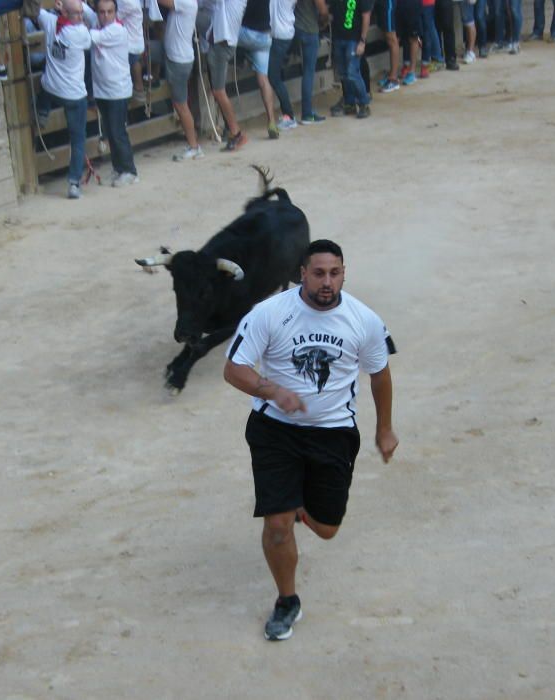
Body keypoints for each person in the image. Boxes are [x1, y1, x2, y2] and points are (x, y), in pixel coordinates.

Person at [223, 239, 399, 641]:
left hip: (334, 434)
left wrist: (384, 428)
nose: (327, 282)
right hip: (274, 432)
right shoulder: (269, 314)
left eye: (334, 273)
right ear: (302, 273)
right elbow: (234, 370)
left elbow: (380, 374)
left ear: (344, 273)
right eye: (318, 273)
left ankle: (298, 505)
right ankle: (287, 601)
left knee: (327, 529)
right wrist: (273, 391)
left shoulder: (363, 320)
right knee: (278, 525)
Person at [36, 0, 92, 199]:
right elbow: (91, 24)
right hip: (74, 95)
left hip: (52, 88)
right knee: (78, 140)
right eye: (77, 13)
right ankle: (74, 183)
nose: (80, 16)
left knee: (43, 84)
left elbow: (37, 10)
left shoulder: (51, 22)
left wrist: (58, 9)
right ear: (67, 13)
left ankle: (42, 113)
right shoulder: (81, 33)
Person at [89, 0, 140, 186]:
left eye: (110, 12)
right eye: (102, 12)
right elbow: (87, 14)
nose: (106, 16)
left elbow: (89, 37)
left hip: (117, 90)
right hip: (103, 90)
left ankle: (129, 170)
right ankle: (119, 168)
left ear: (115, 12)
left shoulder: (117, 30)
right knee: (111, 132)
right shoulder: (98, 25)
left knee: (118, 132)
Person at [159, 0, 204, 161]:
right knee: (181, 104)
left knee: (181, 105)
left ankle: (194, 146)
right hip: (176, 57)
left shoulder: (186, 2)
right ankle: (193, 144)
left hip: (179, 60)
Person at [206, 0, 248, 151]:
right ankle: (233, 131)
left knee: (219, 91)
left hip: (222, 44)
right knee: (218, 91)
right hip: (222, 42)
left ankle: (235, 132)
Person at [237, 0, 280, 140]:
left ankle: (240, 59)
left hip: (246, 33)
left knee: (223, 29)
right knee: (263, 79)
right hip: (264, 36)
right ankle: (272, 121)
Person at [328, 0, 373, 119]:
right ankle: (349, 103)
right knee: (343, 73)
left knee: (353, 73)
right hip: (338, 38)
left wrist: (362, 41)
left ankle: (364, 103)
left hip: (354, 39)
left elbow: (366, 16)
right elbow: (331, 11)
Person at [291, 0, 327, 124]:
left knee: (305, 71)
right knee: (308, 72)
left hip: (295, 28)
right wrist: (326, 19)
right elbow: (322, 9)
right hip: (310, 30)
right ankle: (307, 113)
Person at [267, 0, 299, 131]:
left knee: (274, 77)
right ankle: (287, 115)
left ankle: (289, 116)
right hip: (281, 34)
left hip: (281, 36)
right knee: (276, 76)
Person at [374, 0, 401, 93]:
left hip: (387, 3)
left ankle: (393, 79)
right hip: (380, 3)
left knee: (391, 38)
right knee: (388, 36)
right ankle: (391, 75)